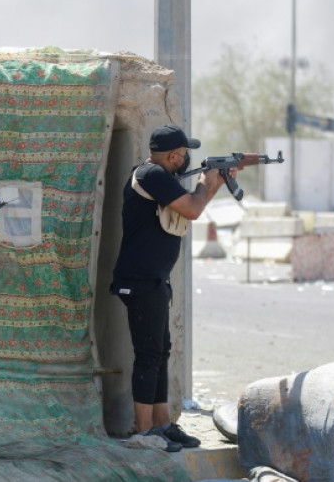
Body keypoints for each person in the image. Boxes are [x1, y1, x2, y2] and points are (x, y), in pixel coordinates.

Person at [109, 124, 230, 452]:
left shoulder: (161, 179)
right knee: (149, 355)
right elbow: (192, 207)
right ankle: (144, 431)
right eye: (184, 153)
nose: (187, 158)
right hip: (140, 281)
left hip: (153, 280)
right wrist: (208, 182)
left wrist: (213, 183)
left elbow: (192, 206)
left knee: (160, 353)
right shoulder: (151, 175)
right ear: (174, 155)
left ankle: (162, 425)